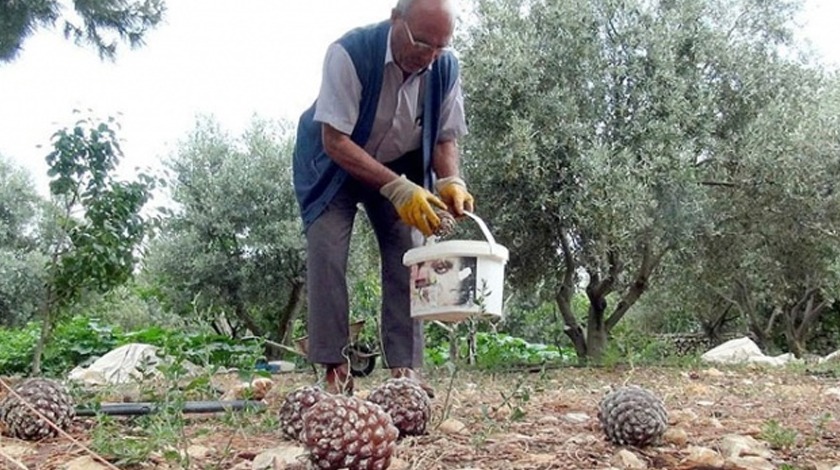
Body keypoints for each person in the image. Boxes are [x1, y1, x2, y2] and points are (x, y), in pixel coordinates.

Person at [292, 0, 474, 396]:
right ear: (396, 19)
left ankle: (404, 372)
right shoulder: (349, 53)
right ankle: (334, 369)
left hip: (396, 165)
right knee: (327, 253)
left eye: (441, 47)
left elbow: (445, 135)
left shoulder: (444, 66)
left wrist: (451, 181)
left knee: (407, 256)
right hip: (333, 164)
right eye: (423, 44)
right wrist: (398, 188)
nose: (429, 57)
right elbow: (334, 140)